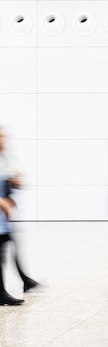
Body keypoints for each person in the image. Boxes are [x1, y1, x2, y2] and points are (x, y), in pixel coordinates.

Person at [0, 127, 38, 306]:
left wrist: (16, 180)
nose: (3, 139)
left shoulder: (5, 158)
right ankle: (2, 293)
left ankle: (24, 281)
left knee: (9, 248)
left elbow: (12, 180)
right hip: (2, 213)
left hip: (4, 218)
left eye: (3, 135)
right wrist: (3, 202)